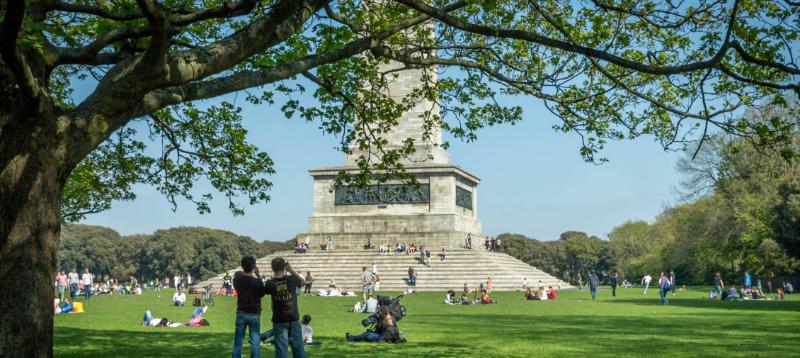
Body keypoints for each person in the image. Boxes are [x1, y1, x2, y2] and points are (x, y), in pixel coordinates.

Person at [263, 257, 306, 358]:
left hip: (279, 319)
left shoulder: (270, 283)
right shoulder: (292, 279)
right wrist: (290, 270)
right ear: (284, 267)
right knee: (298, 347)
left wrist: (257, 274)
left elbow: (264, 291)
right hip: (293, 317)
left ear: (272, 268)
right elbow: (302, 282)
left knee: (281, 349)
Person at [232, 256, 265, 358]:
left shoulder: (237, 280)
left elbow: (238, 277)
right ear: (254, 266)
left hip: (241, 312)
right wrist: (258, 274)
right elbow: (262, 293)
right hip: (254, 314)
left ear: (242, 266)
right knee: (255, 342)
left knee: (238, 342)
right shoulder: (257, 282)